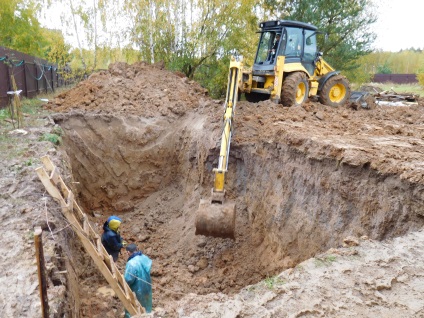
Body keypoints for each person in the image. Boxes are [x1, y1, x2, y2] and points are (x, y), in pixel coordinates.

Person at [124, 243, 153, 317]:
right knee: (146, 304)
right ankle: (148, 314)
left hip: (137, 288)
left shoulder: (131, 263)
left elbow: (128, 279)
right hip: (147, 284)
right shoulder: (144, 258)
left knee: (135, 305)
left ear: (128, 252)